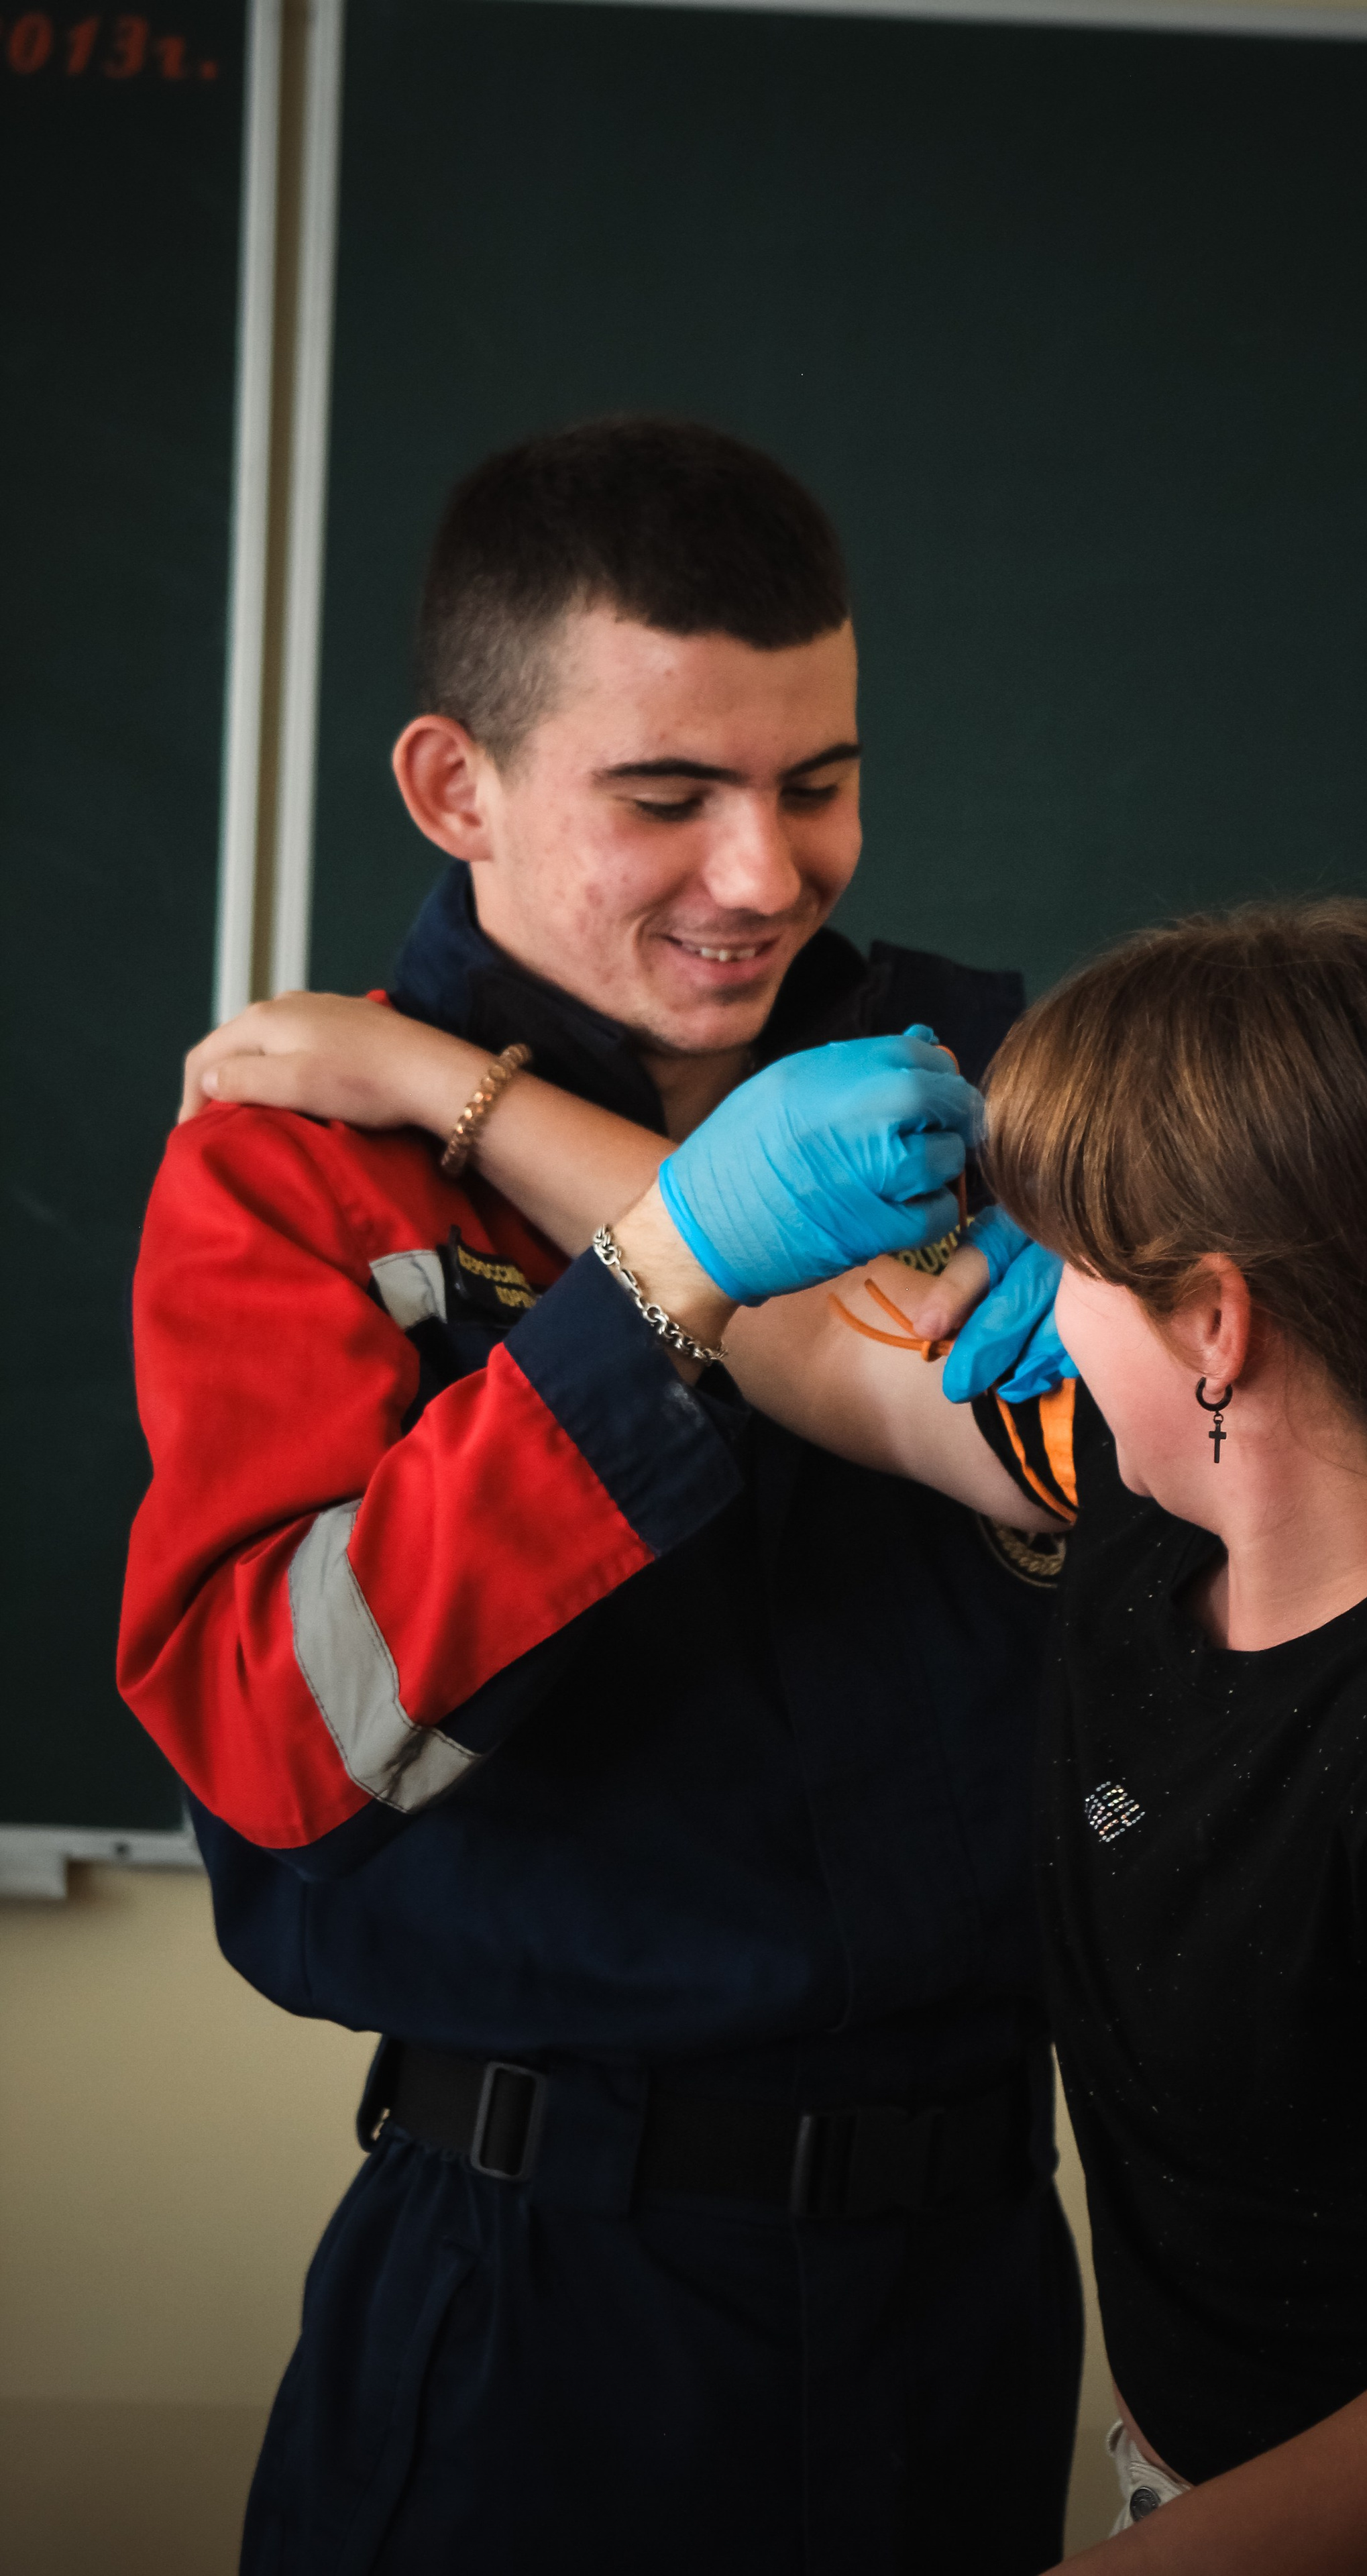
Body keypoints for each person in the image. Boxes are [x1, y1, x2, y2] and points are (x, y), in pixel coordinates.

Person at [206, 897, 1367, 2573]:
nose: (964, 1307)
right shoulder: (1145, 1543)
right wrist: (445, 1088)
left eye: (1058, 1261)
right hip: (1204, 2480)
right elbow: (788, 1332)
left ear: (1215, 1327)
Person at [120, 417, 1085, 2576]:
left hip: (977, 2286)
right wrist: (634, 1277)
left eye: (816, 781)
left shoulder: (992, 1092)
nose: (763, 872)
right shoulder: (296, 1154)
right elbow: (287, 1741)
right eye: (667, 796)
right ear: (456, 786)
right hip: (544, 2294)